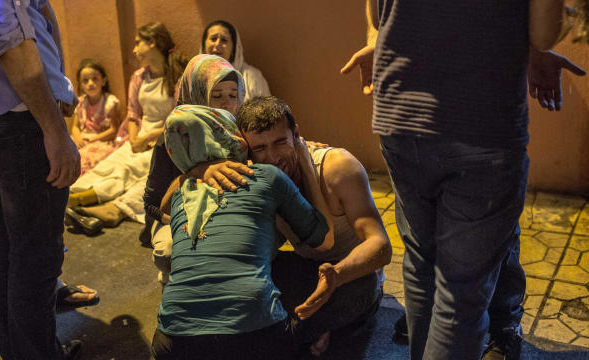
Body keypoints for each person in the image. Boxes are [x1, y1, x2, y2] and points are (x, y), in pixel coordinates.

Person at [340, 1, 579, 359]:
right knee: (460, 295)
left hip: (400, 116)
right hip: (479, 124)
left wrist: (385, 36)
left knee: (421, 266)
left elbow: (377, 16)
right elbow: (543, 33)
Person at [200, 96, 388, 356]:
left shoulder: (336, 168)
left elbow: (381, 246)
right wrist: (201, 171)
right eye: (260, 148)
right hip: (308, 273)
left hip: (351, 278)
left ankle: (294, 333)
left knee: (363, 286)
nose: (273, 157)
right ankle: (313, 328)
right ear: (247, 150)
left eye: (280, 142)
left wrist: (337, 276)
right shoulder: (255, 176)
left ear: (296, 134)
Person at [0, 1, 82, 358]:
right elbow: (13, 46)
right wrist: (54, 129)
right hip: (22, 121)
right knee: (34, 254)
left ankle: (19, 350)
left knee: (2, 245)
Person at [150, 104, 334, 360]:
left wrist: (193, 172)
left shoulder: (180, 193)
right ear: (232, 138)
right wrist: (304, 161)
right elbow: (323, 240)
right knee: (314, 280)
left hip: (171, 341)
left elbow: (162, 207)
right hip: (255, 337)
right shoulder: (266, 176)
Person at [67, 22, 187, 229]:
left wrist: (147, 139)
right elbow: (133, 113)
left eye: (138, 43)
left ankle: (93, 201)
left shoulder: (178, 75)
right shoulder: (139, 77)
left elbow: (179, 116)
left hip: (166, 139)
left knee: (134, 168)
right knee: (112, 163)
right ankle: (75, 195)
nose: (134, 49)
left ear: (153, 43)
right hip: (139, 136)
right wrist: (134, 139)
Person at [142, 54, 250, 278]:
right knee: (172, 250)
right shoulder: (175, 134)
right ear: (196, 94)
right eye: (217, 95)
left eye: (233, 95)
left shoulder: (242, 131)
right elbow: (151, 206)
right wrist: (195, 175)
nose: (227, 104)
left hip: (231, 210)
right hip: (177, 214)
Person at [70, 58, 120, 175]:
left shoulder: (109, 102)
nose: (90, 83)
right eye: (85, 81)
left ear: (103, 81)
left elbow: (114, 129)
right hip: (82, 139)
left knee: (85, 160)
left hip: (100, 140)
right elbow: (75, 127)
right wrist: (78, 139)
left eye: (94, 79)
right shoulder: (80, 102)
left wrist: (92, 140)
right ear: (81, 85)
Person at [201, 20, 271, 101]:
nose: (217, 44)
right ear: (204, 45)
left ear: (234, 48)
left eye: (224, 40)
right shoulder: (193, 77)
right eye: (213, 39)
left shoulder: (251, 77)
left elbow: (266, 112)